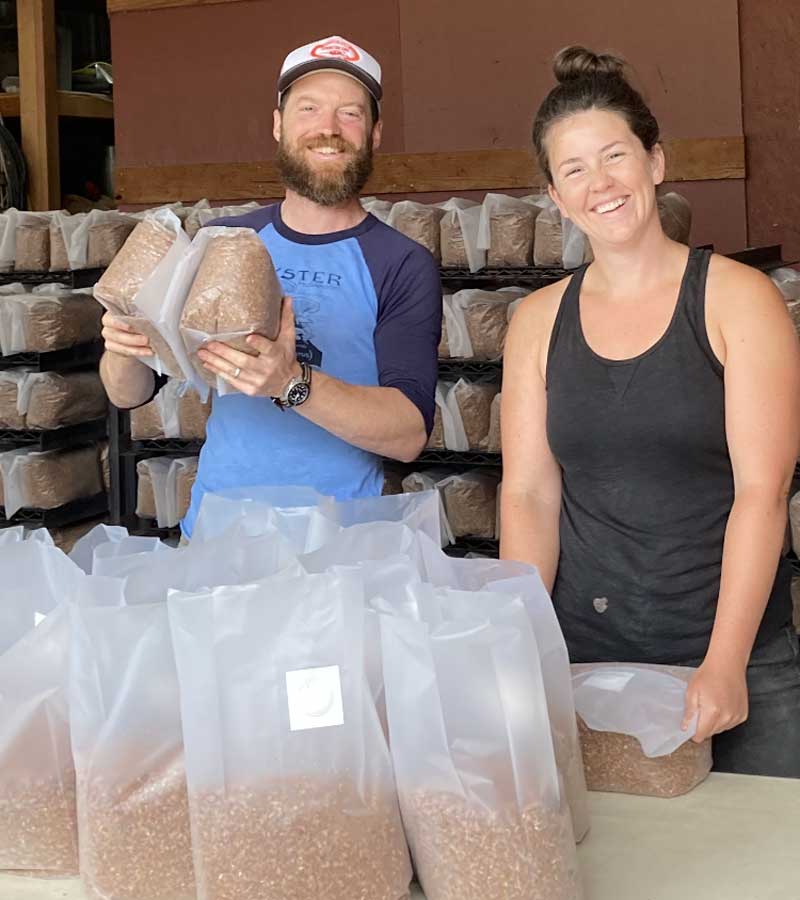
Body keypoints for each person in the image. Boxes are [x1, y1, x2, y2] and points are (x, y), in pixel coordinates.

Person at [500, 46, 800, 776]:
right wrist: (514, 648)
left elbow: (763, 491)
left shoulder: (738, 299)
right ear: (554, 195)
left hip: (735, 657)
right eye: (573, 169)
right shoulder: (537, 321)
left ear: (655, 163)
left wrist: (725, 662)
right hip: (588, 659)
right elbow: (531, 495)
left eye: (615, 156)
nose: (599, 183)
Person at [99, 35, 441, 538]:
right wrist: (124, 345)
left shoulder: (401, 263)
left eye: (350, 113)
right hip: (218, 535)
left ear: (374, 134)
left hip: (341, 547)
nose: (328, 129)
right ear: (278, 123)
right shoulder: (224, 242)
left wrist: (290, 383)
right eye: (308, 108)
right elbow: (130, 393)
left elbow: (409, 433)